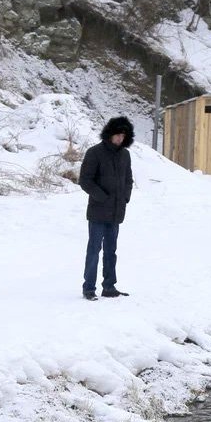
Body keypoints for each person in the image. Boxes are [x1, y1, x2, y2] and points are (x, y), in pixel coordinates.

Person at [78, 116, 134, 300]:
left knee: (111, 251)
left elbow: (128, 180)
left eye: (123, 136)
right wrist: (102, 197)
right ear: (110, 134)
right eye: (117, 135)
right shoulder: (94, 153)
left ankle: (109, 286)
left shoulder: (125, 155)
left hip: (116, 212)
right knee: (94, 250)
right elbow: (85, 180)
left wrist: (125, 197)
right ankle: (89, 288)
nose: (120, 139)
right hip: (98, 212)